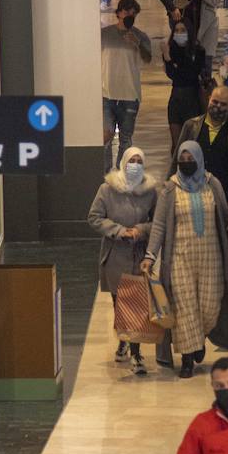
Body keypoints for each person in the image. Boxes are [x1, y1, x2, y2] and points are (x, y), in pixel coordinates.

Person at [142, 142, 228, 379]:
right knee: (185, 308)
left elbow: (225, 218)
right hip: (180, 259)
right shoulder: (170, 189)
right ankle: (186, 358)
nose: (186, 161)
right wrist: (150, 255)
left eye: (190, 157)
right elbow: (160, 225)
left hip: (211, 258)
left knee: (208, 307)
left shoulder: (212, 185)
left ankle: (199, 339)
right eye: (181, 157)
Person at [88, 146, 158, 375]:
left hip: (138, 255)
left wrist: (140, 229)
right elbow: (94, 217)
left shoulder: (150, 191)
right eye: (132, 160)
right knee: (120, 303)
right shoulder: (107, 189)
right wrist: (118, 231)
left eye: (139, 160)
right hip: (115, 254)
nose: (135, 164)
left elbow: (157, 222)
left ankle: (137, 354)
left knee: (136, 304)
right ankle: (123, 340)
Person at [101, 0, 152, 172]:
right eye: (127, 12)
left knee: (126, 139)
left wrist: (137, 44)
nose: (129, 16)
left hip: (130, 96)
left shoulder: (141, 37)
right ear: (119, 13)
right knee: (105, 136)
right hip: (106, 94)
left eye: (133, 14)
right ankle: (105, 175)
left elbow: (148, 59)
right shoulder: (104, 35)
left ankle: (122, 174)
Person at [175, 86, 228, 201]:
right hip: (192, 194)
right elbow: (176, 159)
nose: (218, 107)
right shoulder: (191, 126)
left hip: (224, 196)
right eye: (215, 101)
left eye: (223, 104)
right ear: (209, 98)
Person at [163, 18, 209, 154]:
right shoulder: (170, 50)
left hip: (193, 99)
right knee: (176, 144)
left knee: (192, 144)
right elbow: (173, 75)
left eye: (182, 30)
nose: (179, 33)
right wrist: (169, 58)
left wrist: (170, 61)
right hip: (176, 99)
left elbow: (189, 74)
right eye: (176, 30)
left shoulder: (199, 51)